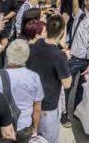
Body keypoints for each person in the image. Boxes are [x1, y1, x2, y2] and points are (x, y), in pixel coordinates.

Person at [26, 15, 71, 143]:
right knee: (48, 139)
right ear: (62, 32)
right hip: (48, 105)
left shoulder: (36, 43)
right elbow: (67, 84)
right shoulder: (59, 56)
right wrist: (66, 60)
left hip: (32, 101)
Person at [0, 40, 44, 143]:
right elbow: (37, 109)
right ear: (26, 57)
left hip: (3, 127)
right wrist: (35, 129)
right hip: (25, 126)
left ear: (8, 54)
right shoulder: (34, 77)